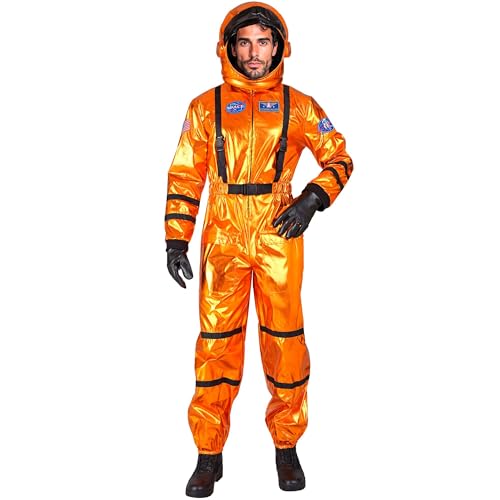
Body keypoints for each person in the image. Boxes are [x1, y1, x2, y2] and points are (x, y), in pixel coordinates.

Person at [164, 2, 353, 496]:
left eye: (263, 42)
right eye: (244, 42)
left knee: (284, 339)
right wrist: (176, 238)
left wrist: (311, 199)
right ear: (228, 47)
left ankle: (286, 445)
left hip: (278, 230)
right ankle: (209, 454)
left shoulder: (300, 105)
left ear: (278, 47)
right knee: (216, 341)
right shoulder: (204, 107)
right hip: (223, 231)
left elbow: (339, 157)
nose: (253, 52)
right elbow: (185, 175)